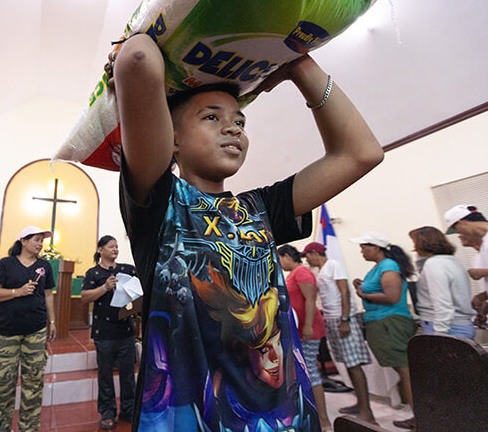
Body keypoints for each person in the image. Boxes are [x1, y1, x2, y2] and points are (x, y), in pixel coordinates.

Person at [111, 32, 384, 431]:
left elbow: (361, 153)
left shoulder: (262, 209)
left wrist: (298, 66)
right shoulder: (160, 202)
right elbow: (138, 57)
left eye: (240, 120)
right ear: (173, 138)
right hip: (197, 416)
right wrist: (129, 54)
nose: (233, 128)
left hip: (281, 416)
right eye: (212, 117)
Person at [0, 226, 56, 432]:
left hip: (35, 330)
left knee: (34, 382)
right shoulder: (6, 264)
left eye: (42, 240)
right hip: (8, 331)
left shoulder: (45, 266)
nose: (40, 243)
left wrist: (52, 321)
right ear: (23, 241)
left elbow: (48, 294)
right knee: (4, 382)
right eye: (36, 239)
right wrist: (18, 292)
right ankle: (1, 426)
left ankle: (29, 427)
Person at [300, 242, 376, 424]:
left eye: (307, 255)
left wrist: (345, 319)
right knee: (348, 364)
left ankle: (368, 411)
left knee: (354, 364)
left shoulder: (334, 265)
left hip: (342, 318)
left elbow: (344, 291)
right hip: (331, 319)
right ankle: (359, 404)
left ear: (314, 253)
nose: (306, 259)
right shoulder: (322, 270)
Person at [350, 232, 417, 430]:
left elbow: (392, 296)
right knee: (402, 370)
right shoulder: (379, 268)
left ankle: (419, 419)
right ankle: (416, 416)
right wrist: (362, 288)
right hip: (381, 322)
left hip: (390, 323)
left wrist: (363, 293)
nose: (361, 251)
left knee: (405, 372)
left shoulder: (388, 266)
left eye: (364, 247)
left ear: (376, 247)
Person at [81, 235, 137, 430]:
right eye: (111, 246)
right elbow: (85, 297)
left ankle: (129, 410)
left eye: (117, 246)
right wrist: (105, 287)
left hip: (126, 331)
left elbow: (138, 291)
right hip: (104, 332)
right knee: (105, 374)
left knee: (128, 374)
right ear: (100, 250)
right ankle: (107, 411)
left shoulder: (127, 270)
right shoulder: (93, 273)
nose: (115, 249)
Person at [277, 244, 331, 431]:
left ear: (286, 256)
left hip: (310, 328)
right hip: (301, 329)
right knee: (306, 371)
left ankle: (324, 421)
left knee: (311, 372)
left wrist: (307, 325)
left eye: (280, 258)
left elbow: (310, 298)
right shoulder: (293, 274)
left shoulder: (301, 272)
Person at [408, 226, 476, 339]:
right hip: (462, 325)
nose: (414, 248)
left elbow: (442, 303)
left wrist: (439, 334)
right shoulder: (452, 261)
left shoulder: (434, 264)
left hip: (445, 327)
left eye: (415, 243)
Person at [445, 204, 488, 326]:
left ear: (461, 223)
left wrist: (481, 272)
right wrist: (482, 297)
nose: (459, 234)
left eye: (456, 229)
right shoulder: (485, 243)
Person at [459, 232, 488, 328]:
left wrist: (483, 272)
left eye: (461, 232)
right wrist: (482, 298)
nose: (459, 235)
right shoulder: (476, 258)